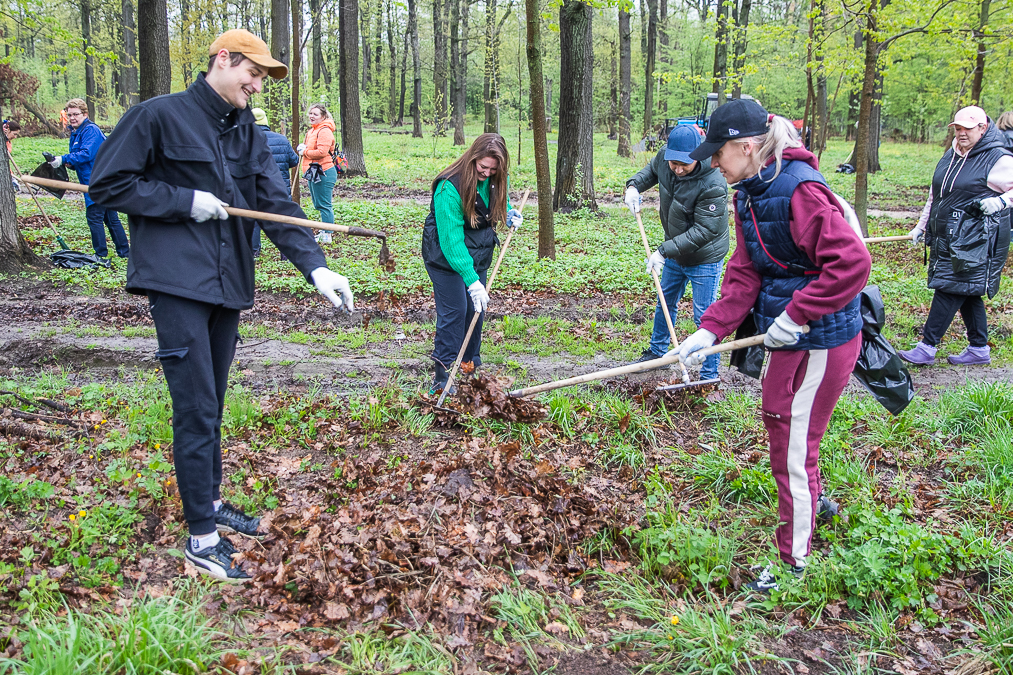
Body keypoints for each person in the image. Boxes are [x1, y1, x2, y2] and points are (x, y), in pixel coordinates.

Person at [89, 29, 355, 582]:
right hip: (177, 281)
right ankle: (201, 541)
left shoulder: (248, 132)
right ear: (222, 60)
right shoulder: (157, 116)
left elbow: (272, 203)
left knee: (212, 402)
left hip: (227, 284)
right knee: (196, 406)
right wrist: (184, 201)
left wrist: (316, 267)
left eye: (261, 78)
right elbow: (107, 185)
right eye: (252, 73)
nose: (256, 85)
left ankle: (207, 504)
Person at [675, 99, 872, 592]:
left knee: (790, 441)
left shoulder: (800, 189)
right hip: (788, 336)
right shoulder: (749, 191)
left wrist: (799, 314)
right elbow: (745, 270)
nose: (713, 163)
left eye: (718, 153)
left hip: (821, 340)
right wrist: (710, 329)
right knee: (780, 420)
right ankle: (817, 502)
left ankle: (793, 562)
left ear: (746, 147)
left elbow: (852, 264)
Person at [900, 106, 1013, 367]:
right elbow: (935, 194)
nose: (962, 133)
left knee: (950, 287)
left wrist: (1001, 202)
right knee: (968, 290)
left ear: (983, 128)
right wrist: (922, 225)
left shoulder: (997, 158)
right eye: (958, 128)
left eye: (968, 129)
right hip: (948, 236)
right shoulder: (951, 154)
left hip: (977, 240)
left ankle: (927, 346)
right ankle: (979, 348)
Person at [624, 125, 729, 381]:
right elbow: (652, 171)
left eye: (685, 164)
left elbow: (704, 231)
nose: (678, 169)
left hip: (705, 257)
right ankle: (657, 354)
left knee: (705, 315)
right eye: (674, 163)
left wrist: (663, 251)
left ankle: (709, 375)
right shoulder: (665, 158)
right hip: (674, 252)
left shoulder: (713, 181)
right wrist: (634, 186)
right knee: (665, 300)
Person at [421, 133, 521, 394]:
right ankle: (443, 376)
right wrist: (470, 279)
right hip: (445, 256)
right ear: (473, 157)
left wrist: (509, 213)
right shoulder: (448, 188)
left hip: (479, 251)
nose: (486, 173)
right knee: (455, 311)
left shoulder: (497, 178)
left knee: (476, 311)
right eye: (482, 167)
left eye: (493, 169)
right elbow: (452, 242)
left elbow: (498, 202)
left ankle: (468, 366)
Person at [47, 99, 129, 261]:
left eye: (76, 114)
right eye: (69, 115)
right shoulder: (77, 132)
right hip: (92, 179)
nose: (72, 118)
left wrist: (63, 159)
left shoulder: (90, 130)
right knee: (110, 218)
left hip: (99, 180)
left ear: (85, 114)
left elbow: (86, 154)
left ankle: (100, 255)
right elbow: (81, 159)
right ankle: (125, 253)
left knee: (94, 216)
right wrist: (69, 163)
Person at [251, 107, 300, 257]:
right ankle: (285, 253)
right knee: (283, 220)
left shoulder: (246, 141)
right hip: (280, 188)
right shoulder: (281, 139)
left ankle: (254, 251)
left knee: (254, 219)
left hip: (255, 187)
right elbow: (294, 161)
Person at [298, 103, 337, 244]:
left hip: (324, 172)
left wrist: (305, 152)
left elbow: (322, 152)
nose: (311, 116)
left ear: (323, 116)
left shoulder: (324, 130)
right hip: (313, 172)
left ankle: (328, 234)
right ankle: (324, 230)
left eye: (315, 114)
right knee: (318, 203)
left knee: (324, 204)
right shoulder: (312, 131)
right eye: (310, 113)